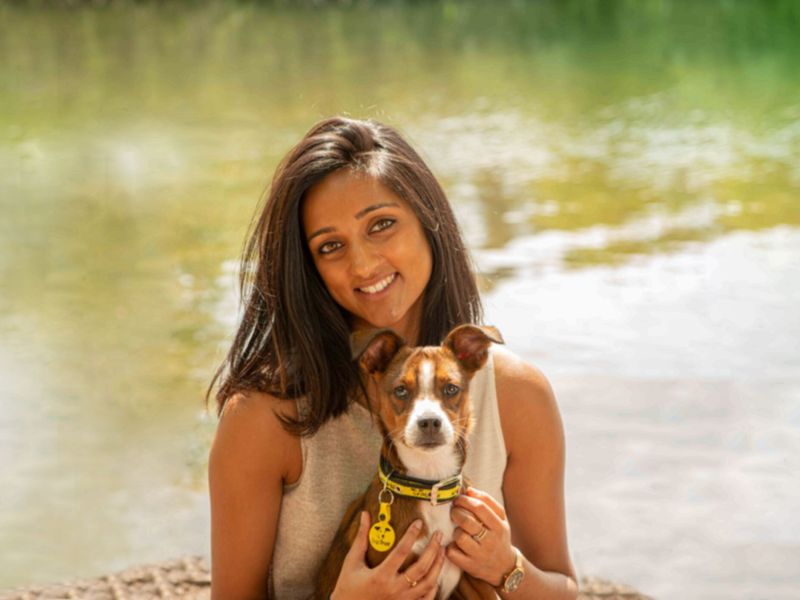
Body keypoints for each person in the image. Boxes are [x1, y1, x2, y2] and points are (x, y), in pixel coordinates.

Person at [207, 117, 579, 599]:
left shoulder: (517, 397)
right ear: (309, 269)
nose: (362, 264)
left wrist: (507, 568)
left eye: (381, 225)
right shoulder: (263, 418)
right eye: (331, 246)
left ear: (429, 221)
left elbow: (565, 591)